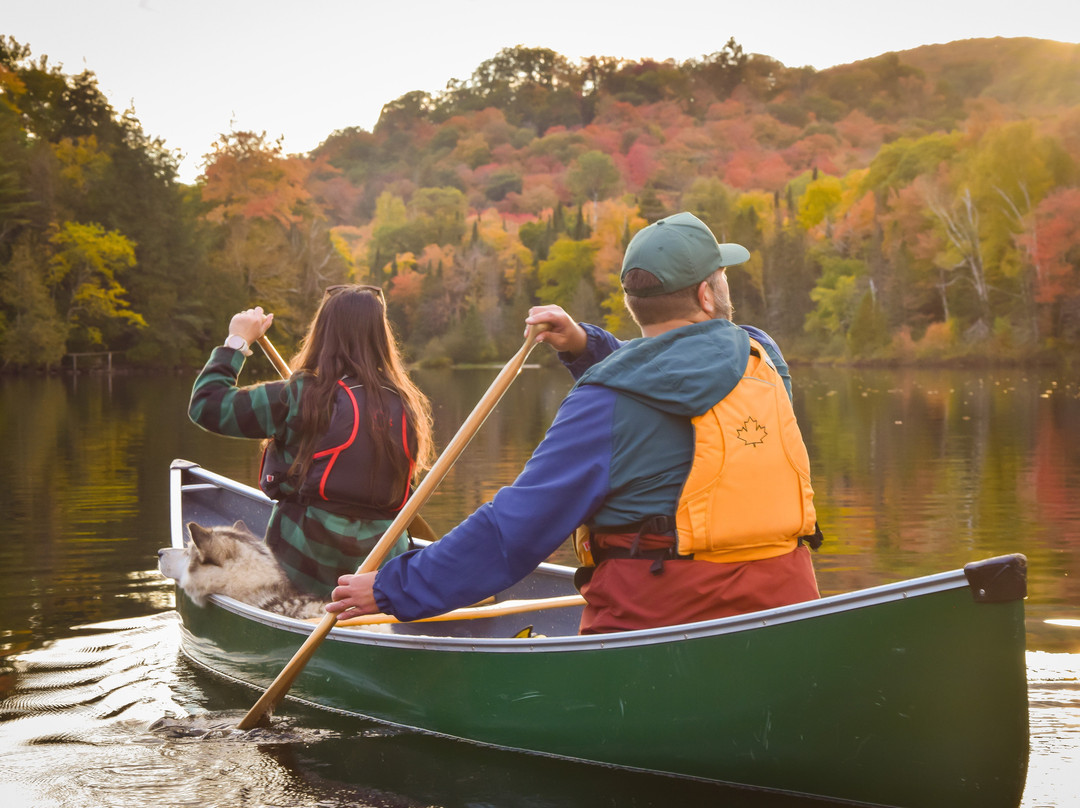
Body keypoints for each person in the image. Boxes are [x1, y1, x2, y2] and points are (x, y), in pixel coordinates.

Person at [327, 212, 822, 633]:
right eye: (723, 273)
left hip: (660, 621)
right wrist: (587, 346)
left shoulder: (604, 404)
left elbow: (512, 532)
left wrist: (394, 585)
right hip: (787, 611)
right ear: (708, 296)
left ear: (634, 302)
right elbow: (678, 371)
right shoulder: (764, 358)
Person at [188, 284, 434, 597]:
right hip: (377, 573)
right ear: (380, 336)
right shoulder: (406, 402)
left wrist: (236, 343)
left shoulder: (302, 395)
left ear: (323, 332)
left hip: (306, 570)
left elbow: (206, 404)